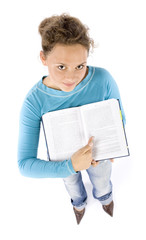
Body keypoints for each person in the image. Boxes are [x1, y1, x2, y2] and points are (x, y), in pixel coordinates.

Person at [18, 13, 126, 224]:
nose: (71, 77)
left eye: (80, 66)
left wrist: (115, 143)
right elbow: (24, 164)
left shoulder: (103, 79)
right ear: (43, 59)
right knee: (72, 185)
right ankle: (78, 203)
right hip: (63, 160)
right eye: (61, 67)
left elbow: (120, 115)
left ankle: (105, 198)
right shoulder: (34, 101)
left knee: (102, 180)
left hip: (100, 152)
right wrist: (71, 165)